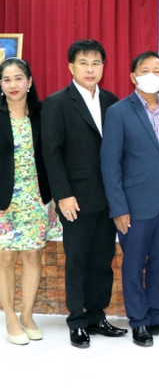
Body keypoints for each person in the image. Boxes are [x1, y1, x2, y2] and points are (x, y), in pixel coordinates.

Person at [101, 51, 159, 347]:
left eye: (157, 70)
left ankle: (157, 316)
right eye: (144, 70)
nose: (151, 75)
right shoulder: (118, 112)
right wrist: (118, 207)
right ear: (133, 76)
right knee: (134, 264)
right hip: (134, 204)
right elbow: (110, 164)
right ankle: (138, 321)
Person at [41, 39, 126, 348]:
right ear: (71, 67)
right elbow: (51, 153)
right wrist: (63, 195)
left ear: (103, 67)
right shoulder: (57, 103)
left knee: (102, 260)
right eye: (83, 63)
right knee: (77, 260)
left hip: (107, 197)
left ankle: (97, 316)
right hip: (75, 199)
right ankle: (77, 321)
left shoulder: (112, 101)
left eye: (96, 63)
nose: (90, 69)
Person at [0, 58, 60, 345]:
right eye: (6, 79)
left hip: (36, 196)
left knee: (32, 256)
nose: (13, 84)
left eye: (18, 78)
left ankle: (26, 315)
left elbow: (54, 155)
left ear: (30, 82)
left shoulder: (43, 113)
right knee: (5, 258)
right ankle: (10, 317)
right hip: (4, 199)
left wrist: (56, 194)